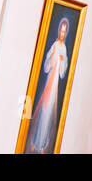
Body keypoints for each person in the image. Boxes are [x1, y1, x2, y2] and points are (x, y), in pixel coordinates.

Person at [25, 17, 70, 153]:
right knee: (43, 111)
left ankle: (42, 145)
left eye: (64, 32)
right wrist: (52, 58)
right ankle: (35, 142)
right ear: (58, 32)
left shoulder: (64, 48)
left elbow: (63, 71)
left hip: (55, 86)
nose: (62, 34)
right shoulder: (55, 45)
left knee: (49, 113)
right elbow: (46, 65)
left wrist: (62, 61)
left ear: (66, 33)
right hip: (48, 84)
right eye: (60, 31)